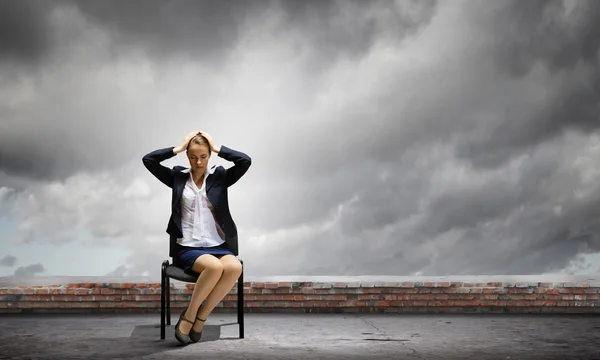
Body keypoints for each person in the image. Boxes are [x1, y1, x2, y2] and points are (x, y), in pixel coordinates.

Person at [142, 131, 251, 344]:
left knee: (235, 267)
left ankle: (200, 318)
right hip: (188, 246)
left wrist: (218, 148)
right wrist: (179, 147)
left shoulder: (220, 177)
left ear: (209, 155)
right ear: (187, 157)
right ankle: (190, 315)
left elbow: (245, 161)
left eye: (203, 156)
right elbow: (149, 160)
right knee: (215, 267)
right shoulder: (177, 177)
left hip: (216, 244)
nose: (198, 161)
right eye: (192, 156)